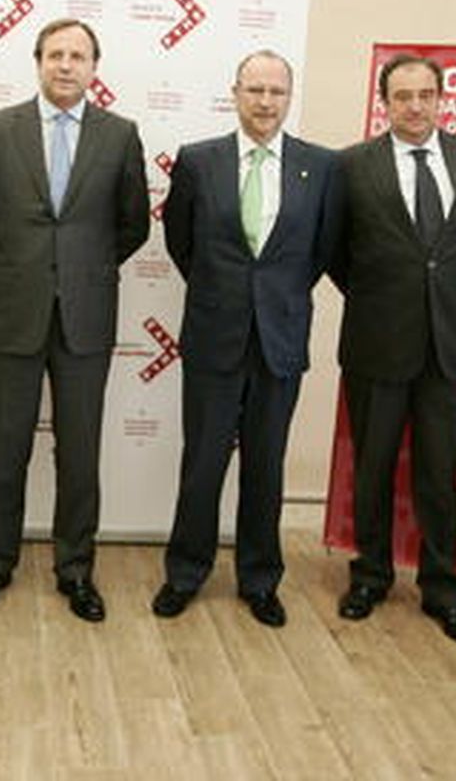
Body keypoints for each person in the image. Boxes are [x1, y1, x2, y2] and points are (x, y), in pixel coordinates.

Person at [0, 18, 150, 622]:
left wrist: (79, 270)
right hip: (11, 313)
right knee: (5, 447)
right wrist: (22, 269)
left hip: (85, 319)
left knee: (80, 451)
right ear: (37, 61)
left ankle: (76, 569)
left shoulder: (121, 135)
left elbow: (132, 223)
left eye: (79, 56)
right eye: (56, 55)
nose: (66, 65)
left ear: (95, 67)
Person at [151, 50, 343, 627]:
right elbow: (182, 245)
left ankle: (260, 579)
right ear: (235, 93)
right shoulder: (198, 161)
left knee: (266, 465)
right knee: (203, 462)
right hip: (214, 334)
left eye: (276, 93)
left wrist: (270, 300)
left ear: (289, 98)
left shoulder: (322, 167)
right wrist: (227, 294)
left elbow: (320, 252)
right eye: (254, 90)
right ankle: (186, 573)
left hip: (279, 340)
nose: (265, 102)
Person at [330, 54, 456, 646]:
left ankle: (445, 590)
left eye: (426, 94)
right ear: (384, 101)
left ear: (441, 98)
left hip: (450, 346)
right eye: (403, 96)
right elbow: (335, 252)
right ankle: (370, 576)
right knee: (371, 469)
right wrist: (387, 299)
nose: (415, 106)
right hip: (378, 342)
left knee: (439, 474)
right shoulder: (351, 166)